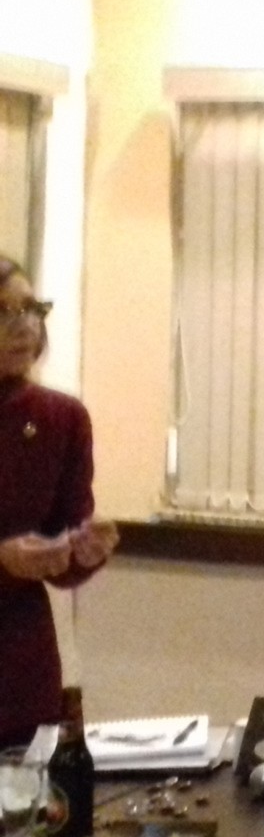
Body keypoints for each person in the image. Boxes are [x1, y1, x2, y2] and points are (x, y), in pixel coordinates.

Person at [0, 255, 119, 750]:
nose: (24, 325)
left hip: (21, 674)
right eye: (3, 311)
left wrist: (82, 551)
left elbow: (63, 545)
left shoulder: (62, 418)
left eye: (32, 308)